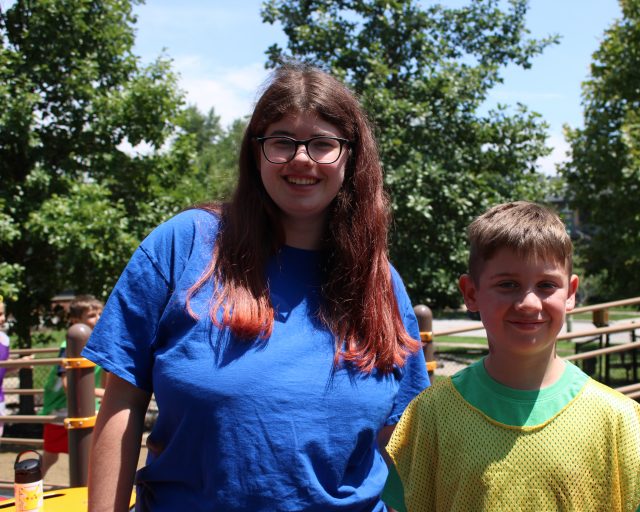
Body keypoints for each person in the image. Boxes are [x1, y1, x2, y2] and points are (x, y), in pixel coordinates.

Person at [84, 62, 430, 511]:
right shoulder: (184, 245)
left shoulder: (379, 281)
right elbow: (121, 403)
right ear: (256, 152)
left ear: (351, 157)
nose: (301, 158)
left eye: (323, 143)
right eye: (282, 141)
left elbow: (401, 437)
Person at [383, 201, 640, 511]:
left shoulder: (616, 420)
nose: (529, 303)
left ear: (570, 293)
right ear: (471, 293)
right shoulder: (431, 415)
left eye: (547, 285)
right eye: (508, 284)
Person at [40, 294, 105, 477]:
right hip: (61, 409)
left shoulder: (99, 344)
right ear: (76, 321)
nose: (98, 319)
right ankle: (30, 488)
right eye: (92, 315)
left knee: (95, 452)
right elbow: (70, 385)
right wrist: (102, 394)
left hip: (85, 406)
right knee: (50, 457)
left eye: (101, 313)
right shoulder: (70, 344)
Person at [0, 297, 10, 437]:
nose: (1, 318)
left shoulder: (5, 339)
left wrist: (21, 363)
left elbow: (4, 367)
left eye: (2, 314)